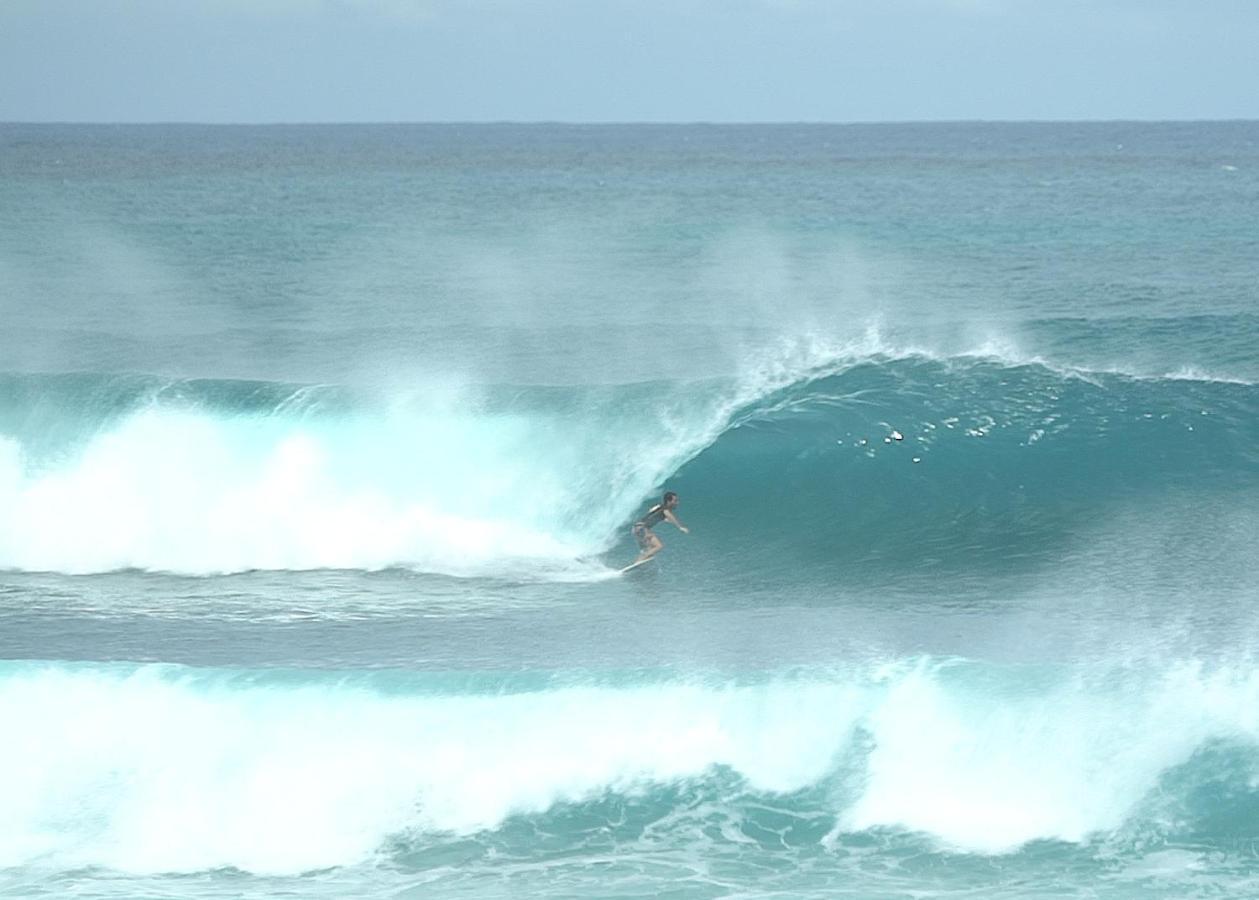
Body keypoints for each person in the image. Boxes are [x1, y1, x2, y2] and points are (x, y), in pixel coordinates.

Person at [628, 491, 689, 567]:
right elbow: (669, 516)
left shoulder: (659, 507)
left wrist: (664, 519)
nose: (677, 503)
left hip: (636, 528)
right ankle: (638, 563)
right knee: (658, 546)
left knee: (648, 551)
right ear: (668, 501)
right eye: (675, 500)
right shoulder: (665, 509)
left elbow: (652, 513)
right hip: (643, 529)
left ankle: (636, 565)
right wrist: (680, 527)